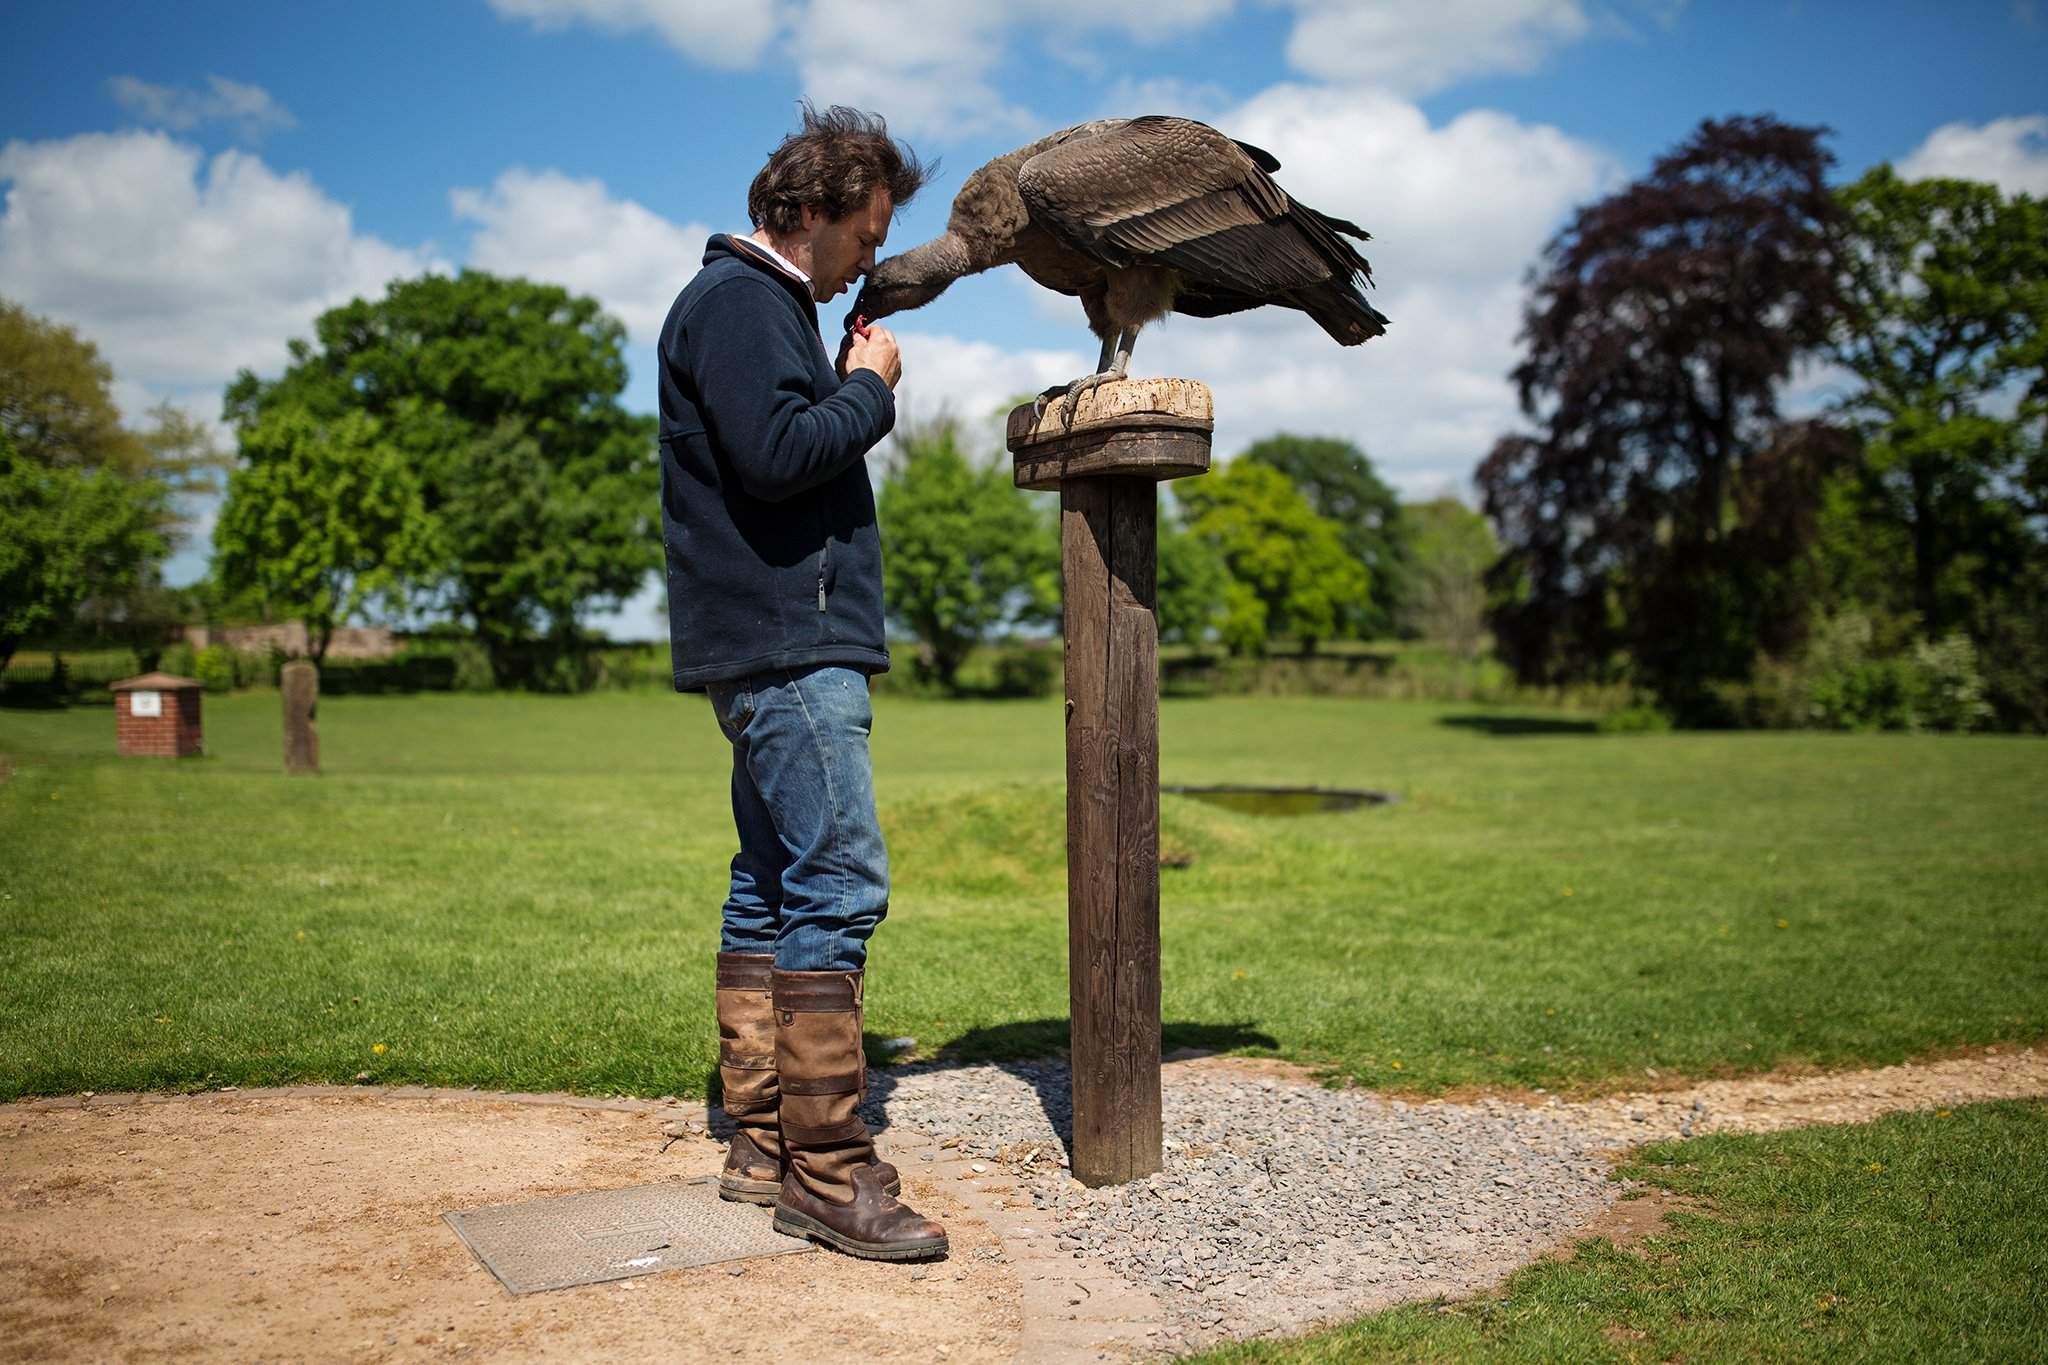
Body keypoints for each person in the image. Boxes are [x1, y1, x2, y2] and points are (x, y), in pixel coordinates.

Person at [655, 104, 945, 1261]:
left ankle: (763, 1139)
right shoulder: (740, 302)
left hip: (762, 644)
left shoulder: (747, 308)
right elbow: (779, 461)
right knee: (835, 882)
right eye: (867, 235)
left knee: (770, 883)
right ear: (814, 211)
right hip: (790, 649)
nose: (870, 258)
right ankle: (827, 1175)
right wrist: (870, 387)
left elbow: (767, 444)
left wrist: (834, 382)